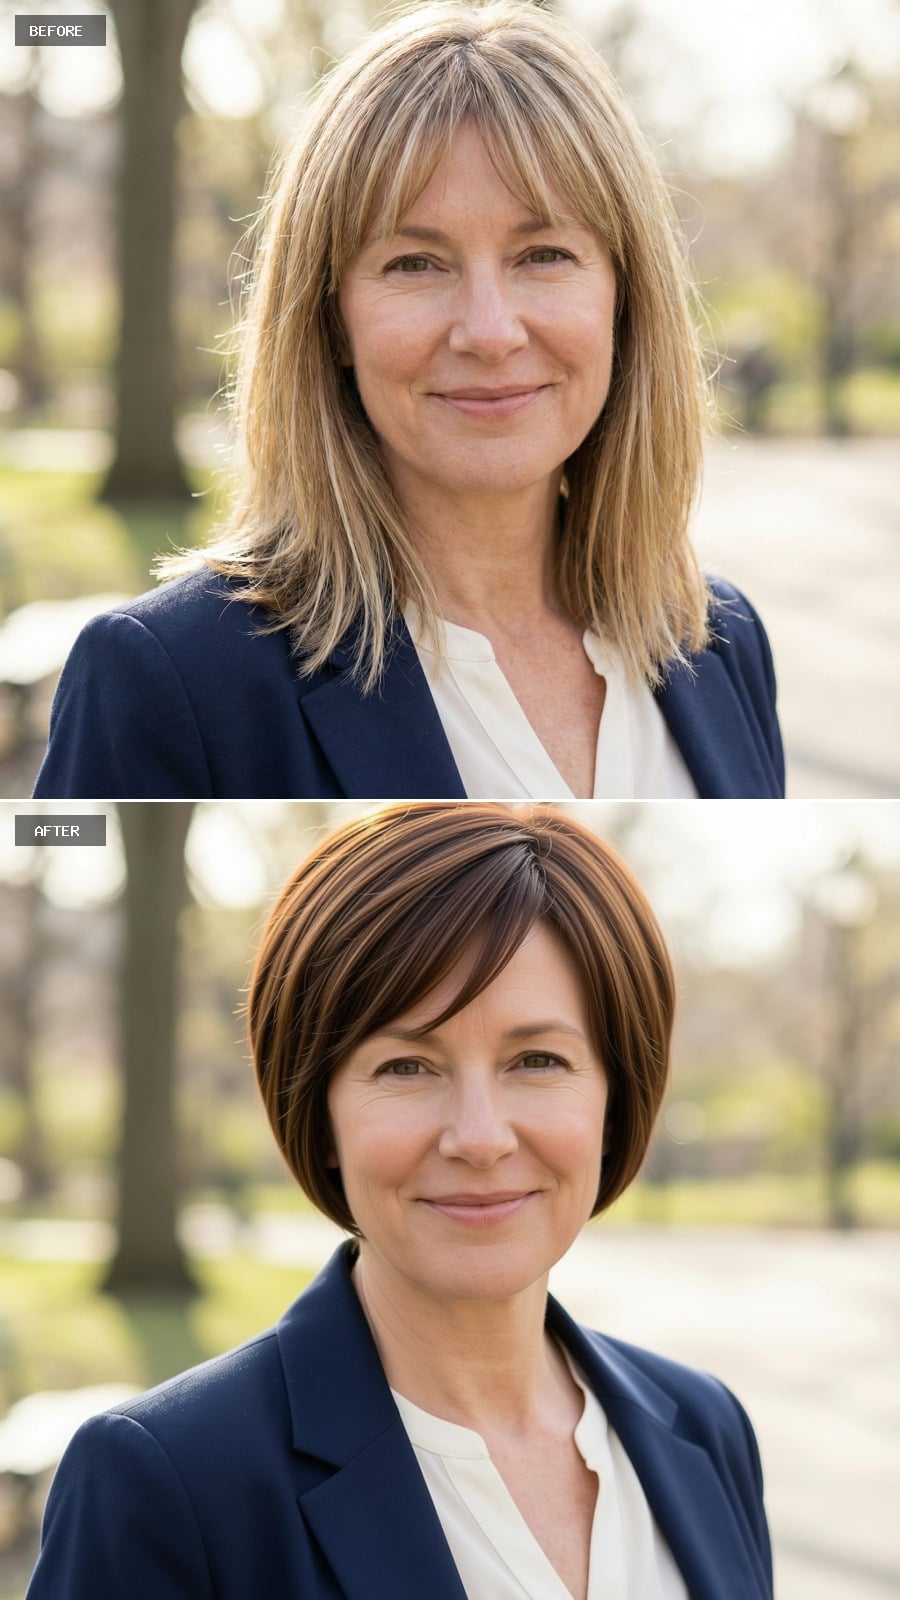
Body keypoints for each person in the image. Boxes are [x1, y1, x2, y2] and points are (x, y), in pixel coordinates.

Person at [34, 1, 783, 801]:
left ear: (625, 299)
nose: (490, 332)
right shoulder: (168, 677)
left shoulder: (721, 640)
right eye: (415, 264)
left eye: (544, 254)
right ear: (330, 318)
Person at [28, 802, 774, 1600]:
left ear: (615, 1101)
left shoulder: (704, 1427)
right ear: (320, 1116)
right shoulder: (168, 1481)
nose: (479, 1138)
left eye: (538, 1059)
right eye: (406, 1067)